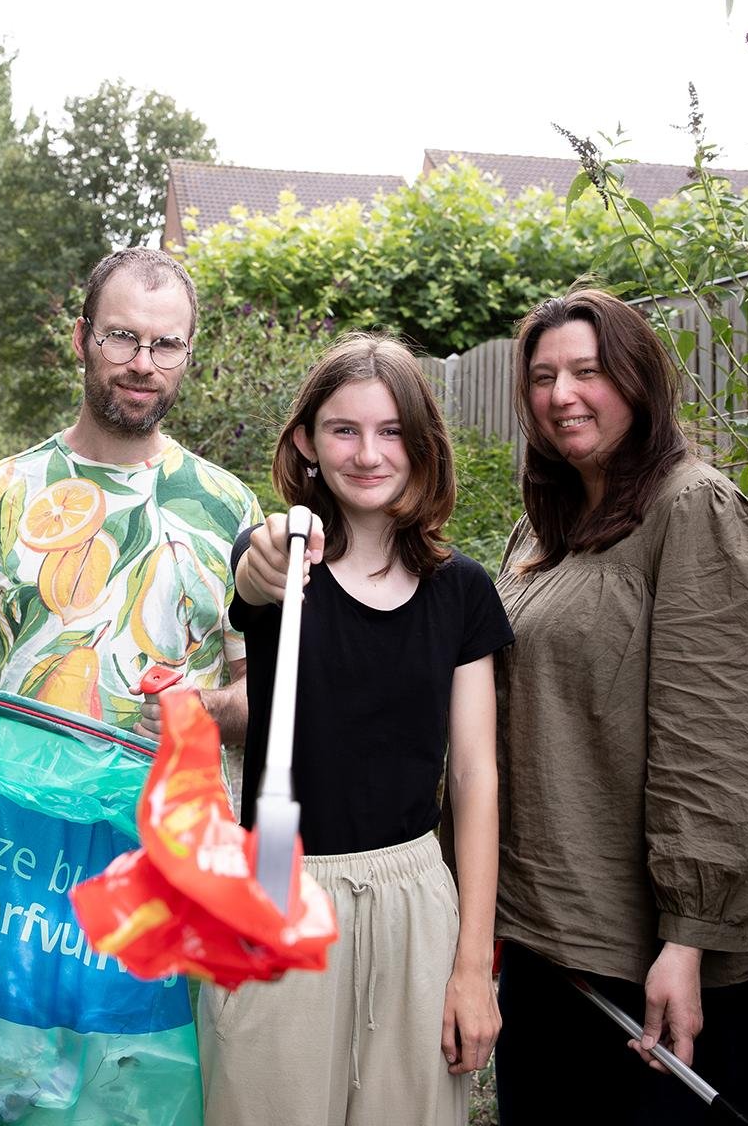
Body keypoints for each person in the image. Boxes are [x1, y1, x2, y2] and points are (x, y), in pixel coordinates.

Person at [490, 289, 748, 1126]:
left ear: (639, 381)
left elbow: (721, 734)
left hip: (672, 940)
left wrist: (687, 938)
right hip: (561, 919)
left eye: (588, 371)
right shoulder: (547, 525)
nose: (562, 394)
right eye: (543, 376)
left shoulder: (693, 507)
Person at [198, 334, 511, 1126]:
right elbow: (256, 570)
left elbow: (475, 777)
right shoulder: (282, 561)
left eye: (391, 431)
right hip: (277, 884)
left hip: (415, 899)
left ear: (423, 442)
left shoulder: (461, 592)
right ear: (306, 441)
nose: (369, 453)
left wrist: (473, 967)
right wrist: (267, 557)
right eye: (344, 430)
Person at [0, 247, 261, 827]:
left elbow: (260, 692)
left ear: (187, 355)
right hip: (16, 834)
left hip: (174, 850)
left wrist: (201, 710)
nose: (143, 363)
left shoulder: (230, 510)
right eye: (121, 337)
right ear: (81, 338)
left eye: (166, 344)